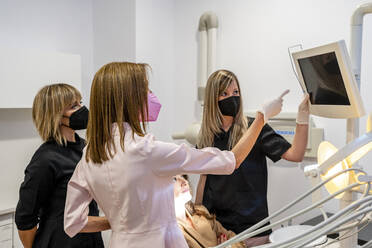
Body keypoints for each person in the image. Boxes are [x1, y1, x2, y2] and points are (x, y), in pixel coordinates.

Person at [63, 62, 288, 248]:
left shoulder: (89, 155)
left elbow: (73, 222)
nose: (151, 96)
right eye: (146, 90)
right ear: (129, 99)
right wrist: (261, 118)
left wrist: (120, 221)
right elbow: (231, 160)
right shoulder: (147, 151)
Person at [195, 69, 309, 247]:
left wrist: (303, 116)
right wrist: (201, 223)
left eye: (236, 92)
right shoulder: (207, 136)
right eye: (224, 93)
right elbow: (203, 179)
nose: (232, 97)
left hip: (253, 231)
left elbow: (296, 154)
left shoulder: (254, 128)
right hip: (219, 232)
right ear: (212, 99)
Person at [15, 84, 108, 248]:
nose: (82, 109)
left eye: (80, 103)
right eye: (74, 106)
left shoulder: (86, 148)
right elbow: (25, 218)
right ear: (55, 115)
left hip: (91, 239)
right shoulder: (45, 159)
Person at [174, 175, 245, 248]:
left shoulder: (200, 211)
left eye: (183, 176)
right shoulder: (170, 233)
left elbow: (235, 239)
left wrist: (229, 246)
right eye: (174, 179)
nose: (185, 182)